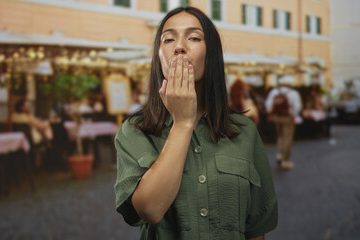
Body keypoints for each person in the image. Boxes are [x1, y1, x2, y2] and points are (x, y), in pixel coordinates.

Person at [114, 7, 277, 240]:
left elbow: (256, 230)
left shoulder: (244, 131)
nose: (179, 46)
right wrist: (182, 123)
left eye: (194, 37)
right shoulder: (134, 130)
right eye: (168, 39)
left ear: (211, 54)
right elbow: (149, 209)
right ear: (159, 56)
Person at [265, 75, 302, 170]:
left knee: (280, 136)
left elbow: (268, 104)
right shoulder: (293, 93)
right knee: (287, 138)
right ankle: (286, 160)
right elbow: (297, 107)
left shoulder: (274, 92)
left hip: (276, 117)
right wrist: (293, 115)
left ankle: (279, 154)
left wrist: (271, 113)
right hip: (287, 117)